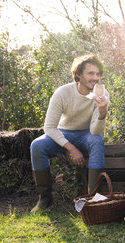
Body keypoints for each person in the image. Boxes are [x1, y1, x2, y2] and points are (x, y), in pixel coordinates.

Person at [30, 54, 109, 213]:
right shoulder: (63, 92)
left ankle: (92, 198)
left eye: (97, 74)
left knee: (96, 141)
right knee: (37, 145)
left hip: (87, 134)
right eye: (90, 73)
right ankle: (45, 198)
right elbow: (50, 127)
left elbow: (95, 130)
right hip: (64, 132)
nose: (95, 78)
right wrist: (71, 148)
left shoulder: (102, 94)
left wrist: (102, 112)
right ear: (79, 74)